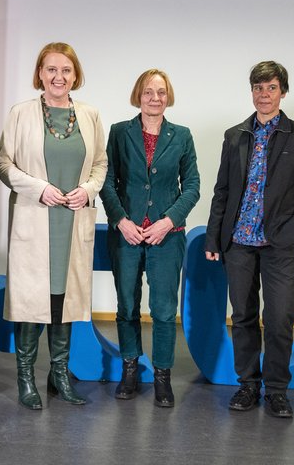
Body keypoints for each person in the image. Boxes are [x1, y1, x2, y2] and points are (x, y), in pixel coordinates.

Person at [205, 61, 294, 418]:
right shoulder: (235, 135)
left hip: (280, 246)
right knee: (242, 316)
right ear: (251, 91)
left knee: (281, 318)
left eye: (271, 87)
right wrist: (214, 237)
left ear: (282, 91)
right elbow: (222, 190)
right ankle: (247, 385)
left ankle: (277, 391)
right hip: (239, 241)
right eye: (258, 88)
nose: (264, 94)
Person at [0, 42, 107, 410]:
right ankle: (26, 376)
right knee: (31, 300)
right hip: (35, 216)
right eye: (51, 69)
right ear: (40, 73)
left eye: (66, 70)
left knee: (66, 298)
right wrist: (39, 188)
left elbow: (101, 164)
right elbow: (3, 164)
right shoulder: (21, 113)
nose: (59, 76)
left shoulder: (88, 115)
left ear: (76, 75)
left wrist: (88, 190)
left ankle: (59, 375)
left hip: (72, 219)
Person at [100, 69, 200, 407]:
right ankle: (130, 368)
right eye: (148, 92)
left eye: (160, 92)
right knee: (127, 305)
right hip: (126, 234)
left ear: (168, 96)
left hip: (166, 237)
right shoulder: (118, 132)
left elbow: (193, 187)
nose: (154, 98)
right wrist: (121, 220)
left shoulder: (182, 136)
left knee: (162, 309)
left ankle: (162, 377)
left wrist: (168, 221)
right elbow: (107, 180)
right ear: (138, 96)